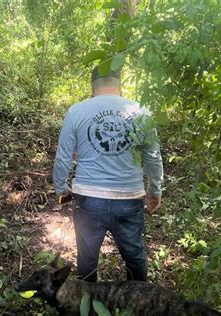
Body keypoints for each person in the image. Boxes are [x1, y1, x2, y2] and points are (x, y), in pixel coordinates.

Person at [52, 66, 163, 282]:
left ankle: (88, 306)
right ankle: (136, 303)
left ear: (93, 86)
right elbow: (153, 156)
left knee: (87, 260)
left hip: (89, 199)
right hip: (129, 199)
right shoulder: (141, 111)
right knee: (134, 258)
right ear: (120, 83)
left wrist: (61, 190)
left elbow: (63, 157)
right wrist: (155, 190)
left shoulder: (77, 111)